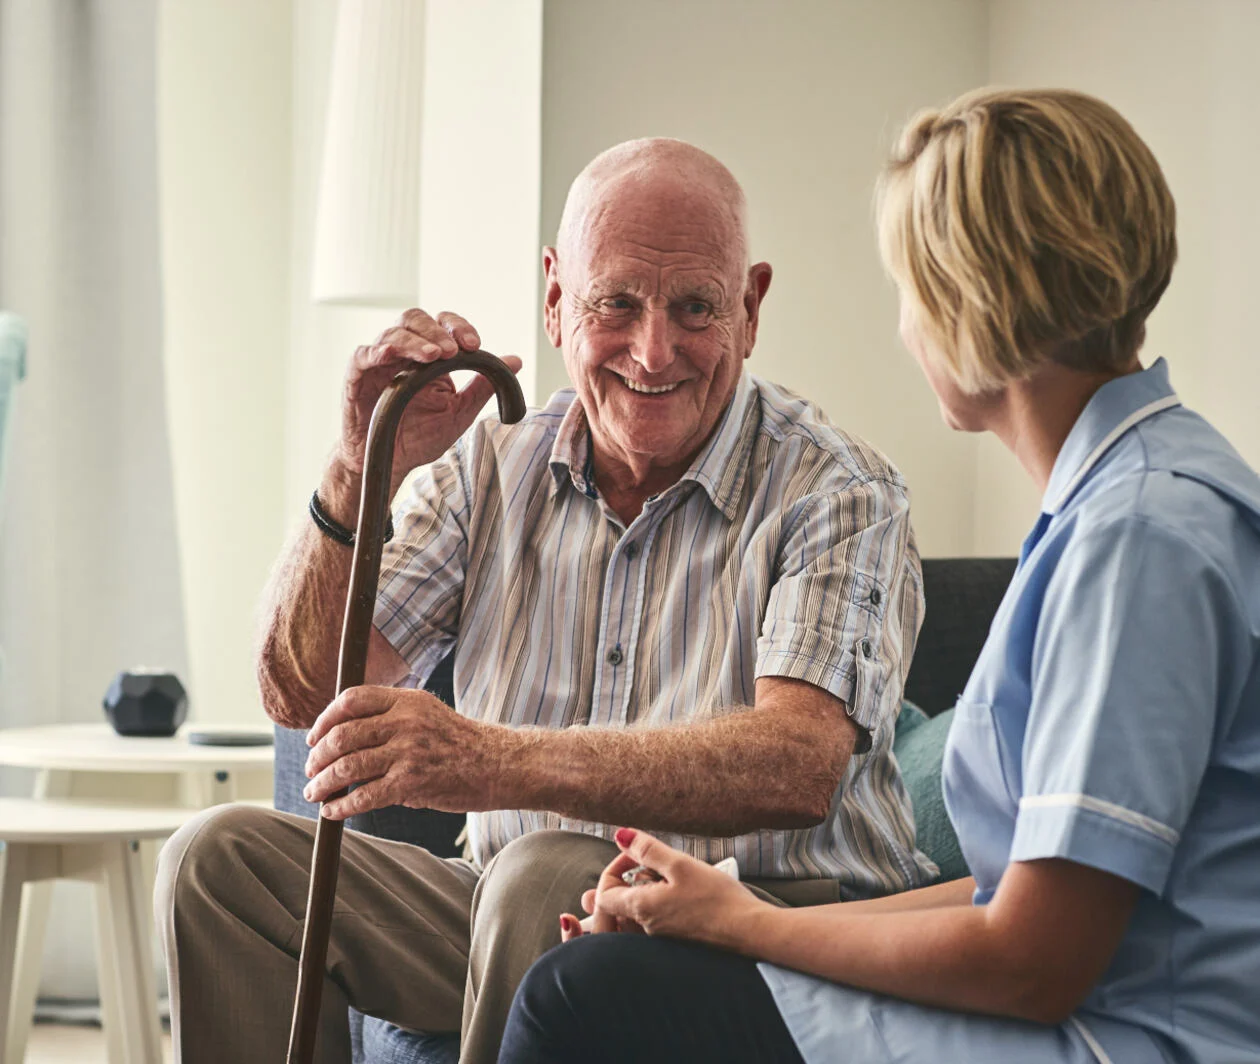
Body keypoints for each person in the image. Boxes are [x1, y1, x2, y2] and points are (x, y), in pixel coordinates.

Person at [497, 89, 1260, 1064]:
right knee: (616, 969)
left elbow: (1035, 960)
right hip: (1086, 1003)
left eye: (908, 289)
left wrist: (745, 925)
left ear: (966, 297)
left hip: (1117, 1037)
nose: (905, 328)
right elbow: (1023, 893)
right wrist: (722, 906)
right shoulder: (1134, 500)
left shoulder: (1139, 540)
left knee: (583, 995)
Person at [154, 137, 937, 1064]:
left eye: (695, 307)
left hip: (757, 932)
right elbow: (303, 691)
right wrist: (356, 466)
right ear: (557, 297)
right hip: (503, 912)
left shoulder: (839, 490)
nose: (655, 351)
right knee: (217, 862)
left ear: (751, 306)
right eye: (616, 302)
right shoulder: (490, 468)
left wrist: (491, 760)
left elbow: (796, 765)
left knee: (541, 872)